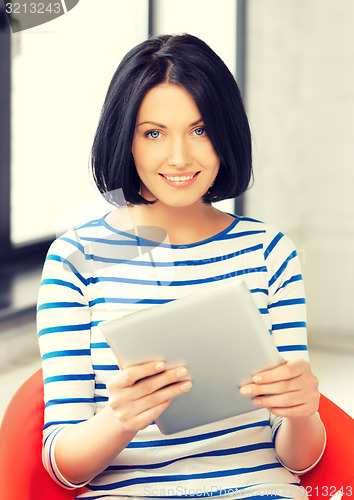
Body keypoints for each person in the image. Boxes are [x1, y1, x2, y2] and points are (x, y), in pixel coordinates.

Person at [37, 34, 326, 500]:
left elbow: (301, 458)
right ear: (125, 139)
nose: (179, 158)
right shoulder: (76, 259)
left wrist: (301, 411)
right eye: (153, 133)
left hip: (255, 488)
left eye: (200, 129)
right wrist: (120, 419)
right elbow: (64, 467)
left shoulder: (269, 251)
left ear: (225, 133)